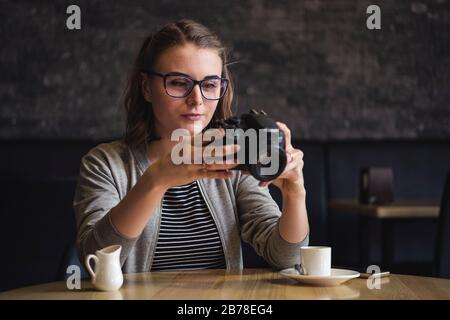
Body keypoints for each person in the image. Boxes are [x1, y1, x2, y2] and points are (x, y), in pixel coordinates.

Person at [73, 19, 309, 273]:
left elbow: (286, 258)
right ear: (146, 88)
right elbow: (96, 263)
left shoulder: (233, 158)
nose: (196, 100)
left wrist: (295, 193)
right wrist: (156, 180)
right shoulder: (105, 164)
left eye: (209, 85)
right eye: (178, 83)